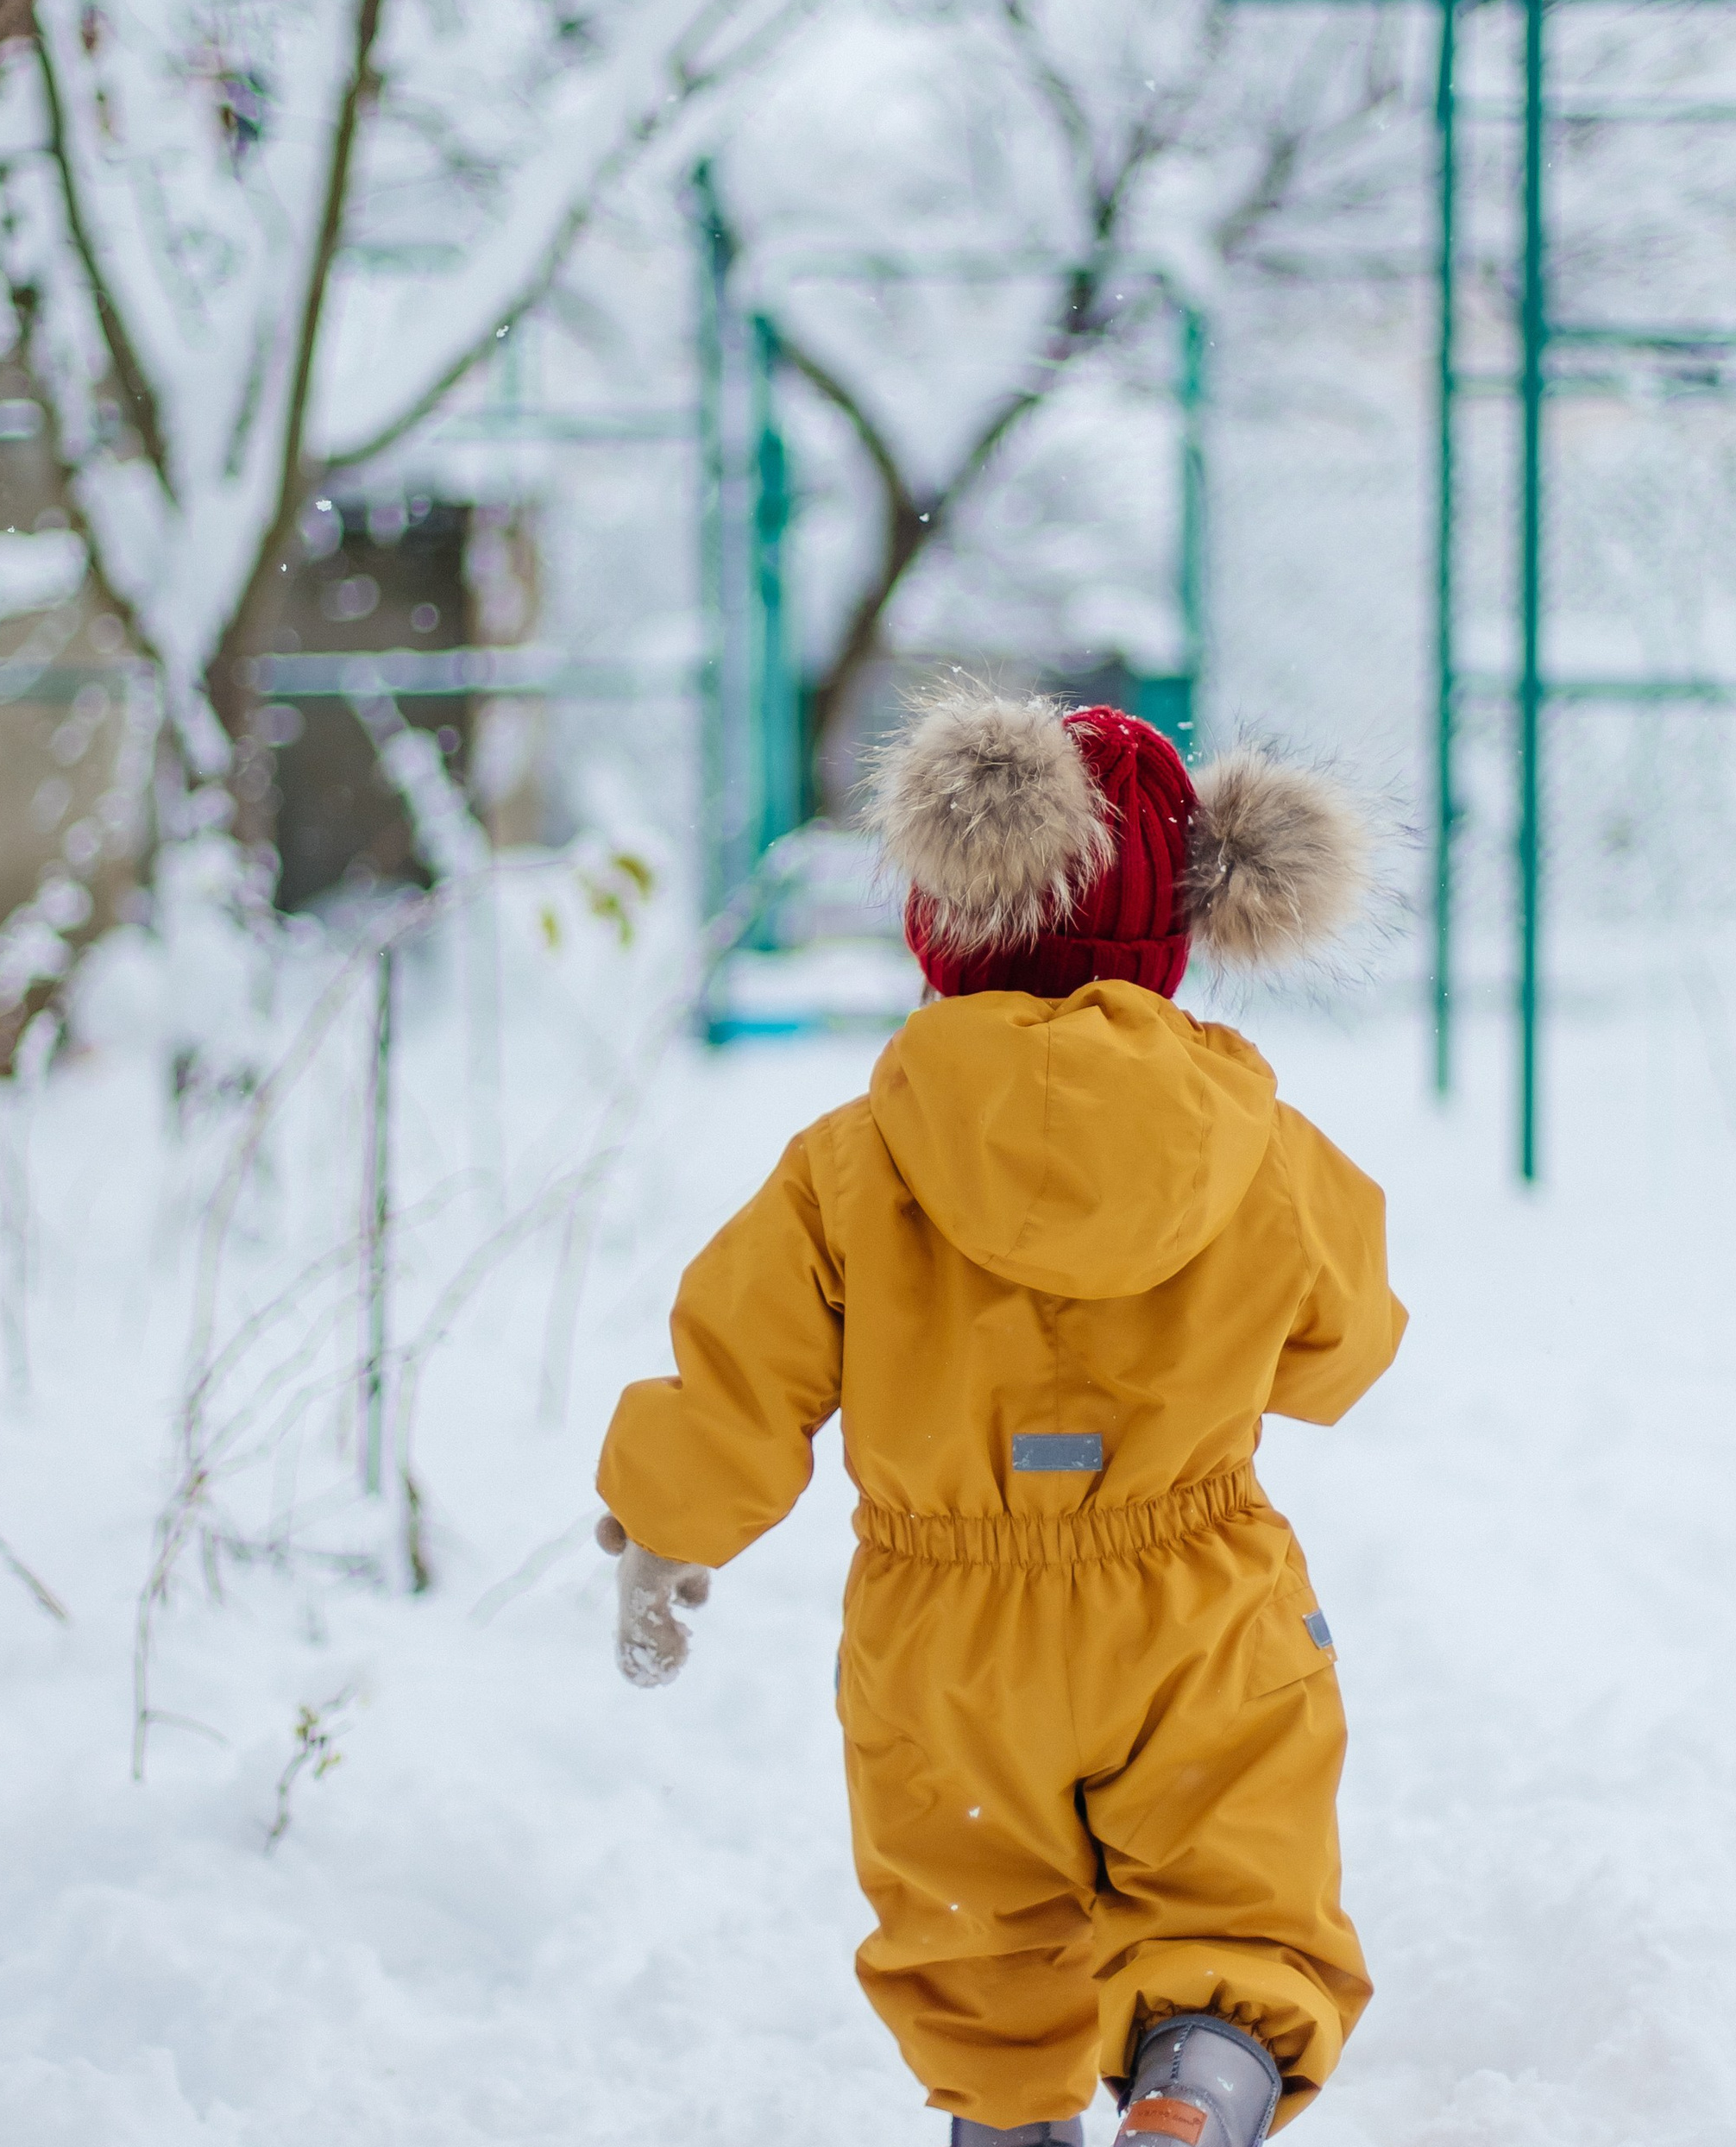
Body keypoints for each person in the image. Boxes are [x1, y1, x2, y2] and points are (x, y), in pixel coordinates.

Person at [594, 696, 1407, 2147]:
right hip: (1194, 1604)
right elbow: (1347, 1349)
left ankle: (1007, 2121)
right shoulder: (1261, 1149)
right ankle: (1199, 2087)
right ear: (1190, 920)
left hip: (943, 1635)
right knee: (1235, 1888)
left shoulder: (849, 1163)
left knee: (978, 1939)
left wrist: (668, 1527)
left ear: (948, 916)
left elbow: (739, 1371)